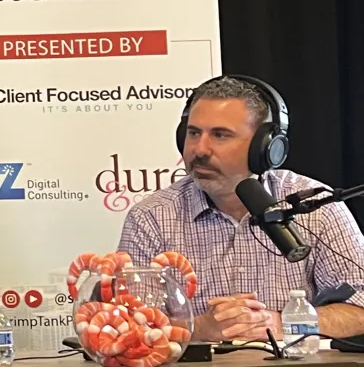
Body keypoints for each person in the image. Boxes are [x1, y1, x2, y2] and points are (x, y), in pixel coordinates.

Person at [117, 74, 364, 341]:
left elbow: (360, 309)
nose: (200, 149)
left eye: (220, 135)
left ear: (266, 147)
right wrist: (200, 328)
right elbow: (130, 324)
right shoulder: (152, 216)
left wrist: (285, 323)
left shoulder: (314, 207)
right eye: (193, 133)